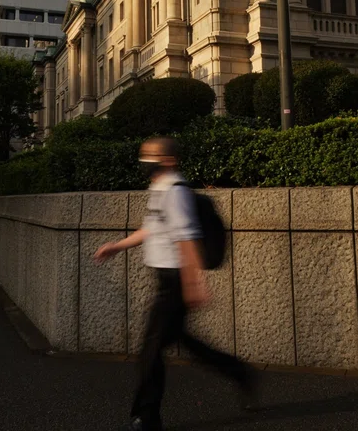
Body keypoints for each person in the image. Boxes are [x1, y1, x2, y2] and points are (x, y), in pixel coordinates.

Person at [94, 136, 256, 431]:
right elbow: (150, 228)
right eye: (144, 155)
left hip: (175, 281)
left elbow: (188, 237)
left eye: (151, 156)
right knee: (186, 343)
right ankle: (240, 372)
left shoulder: (176, 192)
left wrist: (193, 283)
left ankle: (147, 417)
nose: (145, 161)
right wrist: (118, 245)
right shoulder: (158, 188)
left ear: (169, 160)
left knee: (150, 351)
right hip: (166, 280)